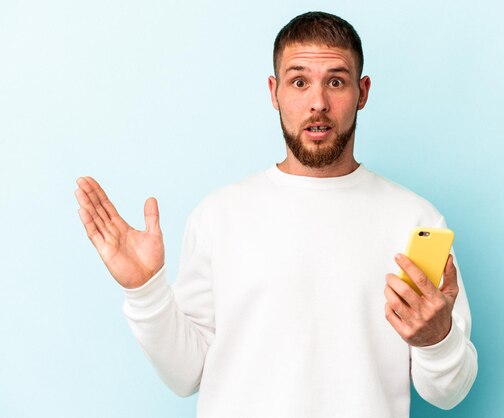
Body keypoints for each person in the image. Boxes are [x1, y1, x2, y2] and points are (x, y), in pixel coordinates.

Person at [75, 11, 477, 418]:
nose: (318, 103)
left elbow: (448, 392)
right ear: (274, 92)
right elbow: (186, 375)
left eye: (335, 82)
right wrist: (145, 292)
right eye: (299, 82)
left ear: (362, 92)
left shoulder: (414, 220)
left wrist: (437, 338)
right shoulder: (219, 215)